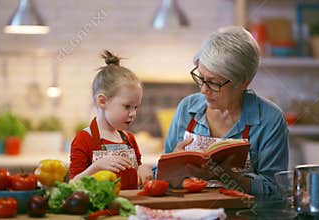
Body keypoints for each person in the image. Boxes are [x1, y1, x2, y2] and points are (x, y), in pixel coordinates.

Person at [163, 26, 289, 196]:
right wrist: (173, 166)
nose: (203, 90)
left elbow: (274, 191)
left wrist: (229, 176)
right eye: (201, 78)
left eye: (214, 83)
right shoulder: (187, 108)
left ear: (244, 82)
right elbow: (161, 177)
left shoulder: (270, 119)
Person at [70, 50, 153, 189]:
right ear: (102, 101)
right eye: (127, 106)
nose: (133, 114)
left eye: (136, 107)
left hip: (130, 208)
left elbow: (137, 174)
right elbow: (72, 186)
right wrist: (95, 168)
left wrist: (142, 169)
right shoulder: (84, 139)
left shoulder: (129, 139)